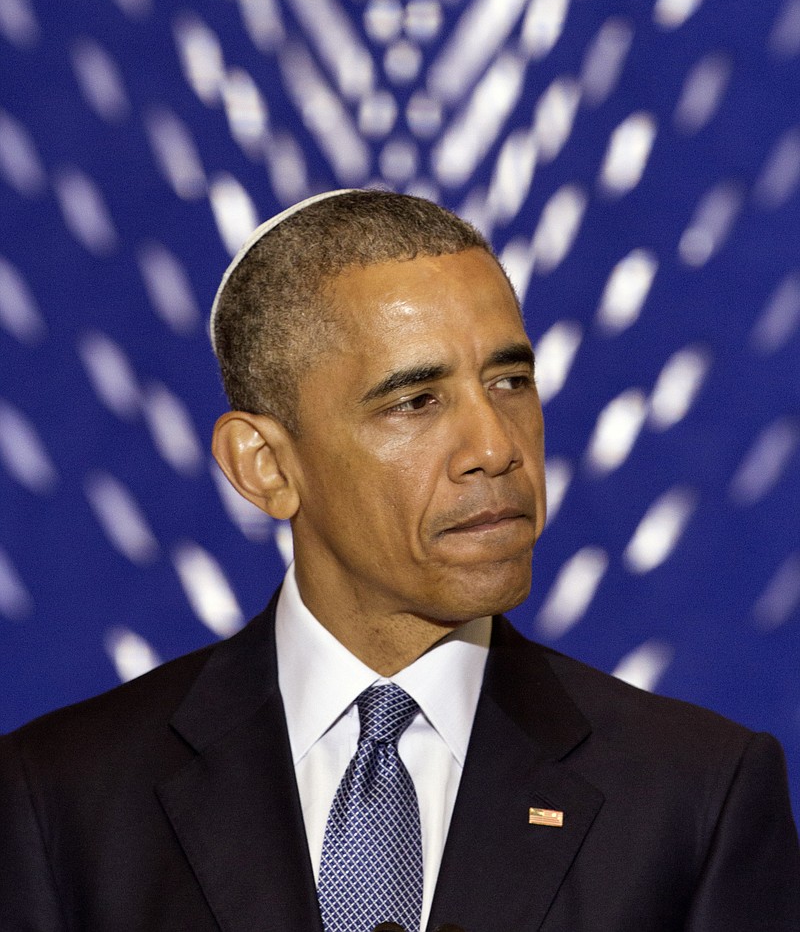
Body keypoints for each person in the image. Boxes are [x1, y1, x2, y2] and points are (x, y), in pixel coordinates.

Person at [0, 188, 798, 932]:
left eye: (511, 380)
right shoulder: (64, 797)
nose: (496, 447)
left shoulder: (695, 796)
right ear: (264, 466)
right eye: (416, 400)